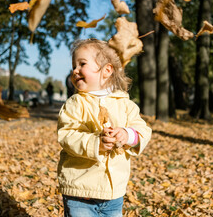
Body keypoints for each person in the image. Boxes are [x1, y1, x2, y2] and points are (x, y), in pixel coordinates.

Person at [57, 39, 152, 217]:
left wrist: (127, 134)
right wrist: (95, 143)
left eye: (82, 64)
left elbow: (143, 129)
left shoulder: (125, 104)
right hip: (80, 191)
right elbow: (67, 135)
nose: (75, 70)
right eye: (73, 66)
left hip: (114, 192)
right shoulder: (75, 104)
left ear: (106, 70)